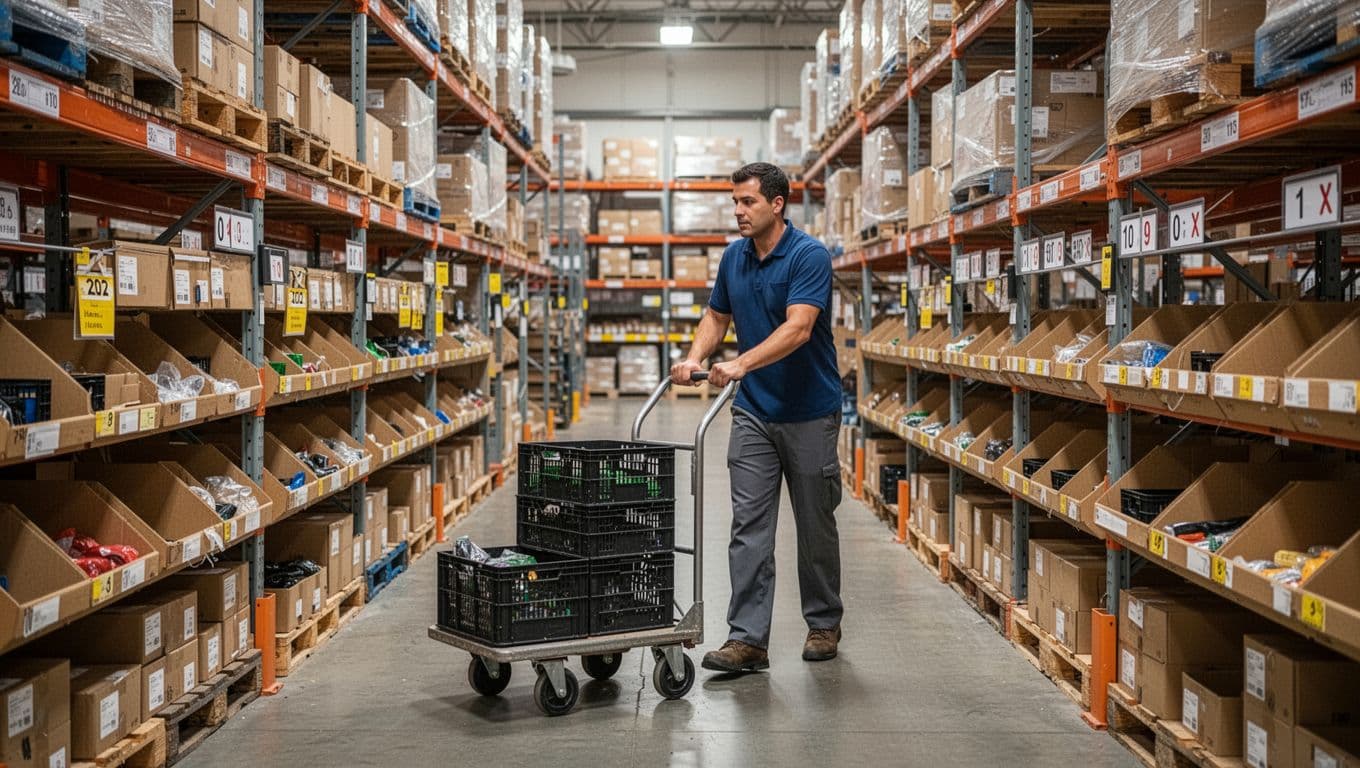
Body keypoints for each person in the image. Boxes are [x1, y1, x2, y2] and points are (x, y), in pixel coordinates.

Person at [670, 162, 844, 673]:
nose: (738, 211)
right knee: (749, 527)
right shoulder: (733, 258)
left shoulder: (808, 256)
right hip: (754, 414)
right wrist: (697, 357)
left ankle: (824, 622)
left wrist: (741, 363)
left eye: (747, 202)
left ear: (776, 204)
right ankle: (747, 639)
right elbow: (717, 316)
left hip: (809, 411)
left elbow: (799, 329)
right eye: (735, 202)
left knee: (814, 525)